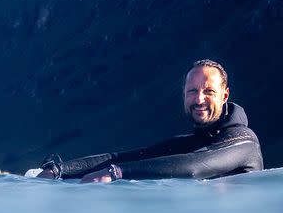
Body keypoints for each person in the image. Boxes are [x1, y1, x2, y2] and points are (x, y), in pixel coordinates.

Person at [25, 59, 263, 183]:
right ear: (183, 95)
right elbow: (125, 157)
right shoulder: (195, 141)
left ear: (225, 95)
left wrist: (116, 173)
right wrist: (59, 170)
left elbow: (195, 167)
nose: (199, 99)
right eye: (192, 91)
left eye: (208, 91)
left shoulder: (244, 142)